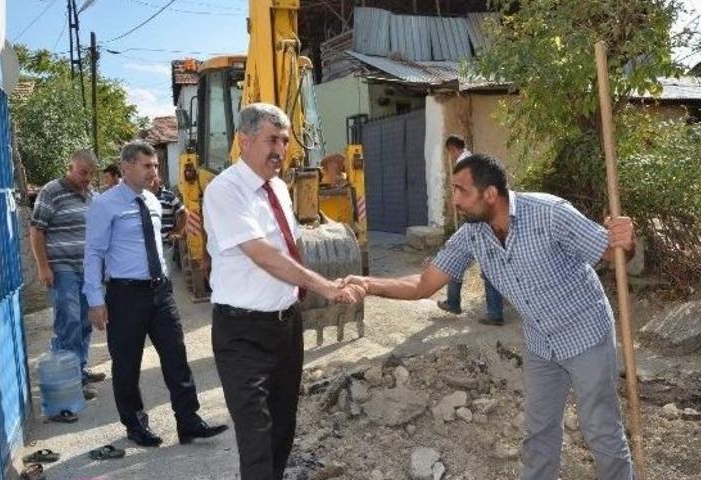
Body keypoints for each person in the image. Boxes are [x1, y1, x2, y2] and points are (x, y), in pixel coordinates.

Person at [344, 153, 636, 479]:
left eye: (461, 190)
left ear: (490, 194)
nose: (455, 200)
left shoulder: (550, 213)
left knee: (600, 430)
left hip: (585, 334)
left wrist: (626, 241)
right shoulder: (473, 234)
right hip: (541, 342)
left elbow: (612, 252)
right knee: (539, 432)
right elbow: (423, 284)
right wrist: (368, 284)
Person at [203, 103, 364, 480]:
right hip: (242, 333)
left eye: (285, 141)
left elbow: (290, 245)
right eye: (271, 140)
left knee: (282, 427)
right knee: (256, 437)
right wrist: (324, 286)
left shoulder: (277, 187)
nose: (280, 149)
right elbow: (263, 254)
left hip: (286, 327)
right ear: (244, 141)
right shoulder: (225, 191)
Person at [83, 141, 227, 447]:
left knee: (176, 357)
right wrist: (94, 300)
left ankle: (189, 421)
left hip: (160, 291)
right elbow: (93, 253)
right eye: (147, 166)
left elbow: (159, 240)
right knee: (127, 363)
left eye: (156, 166)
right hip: (125, 295)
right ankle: (135, 425)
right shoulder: (105, 205)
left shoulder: (152, 200)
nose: (154, 171)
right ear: (127, 167)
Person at [29, 150, 105, 404]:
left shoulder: (92, 195)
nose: (88, 178)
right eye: (83, 173)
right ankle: (69, 381)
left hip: (88, 270)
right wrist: (43, 267)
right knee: (69, 321)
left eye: (91, 174)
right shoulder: (51, 191)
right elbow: (36, 230)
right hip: (63, 268)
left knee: (85, 321)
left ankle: (79, 368)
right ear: (70, 167)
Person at [436, 134, 505, 325]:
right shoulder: (474, 161)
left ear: (451, 149)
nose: (450, 157)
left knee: (456, 257)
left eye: (449, 153)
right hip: (484, 218)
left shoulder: (464, 166)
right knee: (488, 263)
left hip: (477, 221)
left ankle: (457, 303)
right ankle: (490, 311)